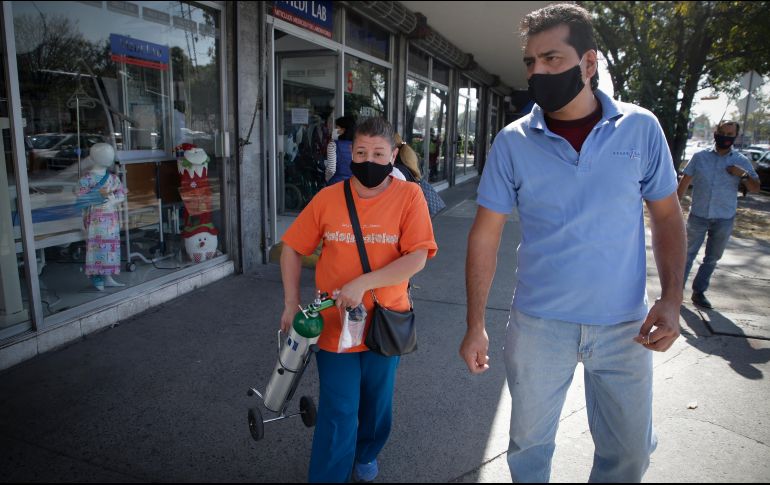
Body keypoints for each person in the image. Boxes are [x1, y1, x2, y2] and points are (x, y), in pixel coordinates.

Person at [459, 4, 686, 483]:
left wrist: (671, 297)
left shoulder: (640, 128)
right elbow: (485, 235)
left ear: (589, 63)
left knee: (628, 454)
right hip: (539, 326)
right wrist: (475, 323)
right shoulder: (513, 141)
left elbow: (667, 216)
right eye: (530, 62)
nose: (538, 72)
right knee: (528, 448)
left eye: (552, 59)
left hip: (626, 326)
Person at [280, 117, 437, 483]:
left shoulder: (409, 196)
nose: (369, 160)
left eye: (379, 153)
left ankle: (366, 451)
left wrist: (363, 283)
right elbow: (291, 248)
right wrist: (290, 302)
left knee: (377, 404)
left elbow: (417, 257)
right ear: (351, 152)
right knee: (339, 409)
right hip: (334, 325)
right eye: (361, 151)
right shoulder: (328, 198)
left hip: (385, 321)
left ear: (394, 155)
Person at [677, 120, 760, 309]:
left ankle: (699, 292)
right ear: (716, 133)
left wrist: (743, 175)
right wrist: (674, 210)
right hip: (698, 215)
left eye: (730, 135)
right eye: (723, 132)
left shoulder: (740, 161)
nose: (726, 137)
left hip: (724, 217)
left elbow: (755, 188)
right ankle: (676, 292)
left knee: (712, 257)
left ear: (735, 137)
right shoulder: (700, 157)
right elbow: (684, 183)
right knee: (686, 254)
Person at [75, 143, 126, 291]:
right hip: (95, 221)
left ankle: (108, 275)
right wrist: (98, 198)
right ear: (96, 158)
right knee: (98, 249)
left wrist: (114, 200)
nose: (110, 158)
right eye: (106, 156)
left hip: (111, 220)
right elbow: (81, 199)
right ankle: (97, 278)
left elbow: (121, 194)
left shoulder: (113, 178)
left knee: (111, 248)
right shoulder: (87, 180)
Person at [324, 115, 356, 185]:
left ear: (343, 130)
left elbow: (331, 169)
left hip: (336, 184)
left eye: (336, 127)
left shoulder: (333, 145)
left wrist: (327, 179)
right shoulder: (358, 146)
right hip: (353, 185)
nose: (334, 129)